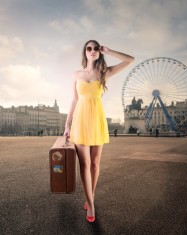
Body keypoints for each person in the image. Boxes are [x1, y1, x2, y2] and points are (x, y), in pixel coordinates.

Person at [64, 40, 134, 223]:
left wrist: (110, 51)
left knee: (95, 164)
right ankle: (91, 204)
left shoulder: (105, 72)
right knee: (85, 164)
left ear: (99, 52)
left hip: (97, 119)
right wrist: (66, 125)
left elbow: (130, 60)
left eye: (96, 48)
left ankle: (90, 196)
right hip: (80, 120)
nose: (93, 51)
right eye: (89, 48)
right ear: (84, 52)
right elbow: (73, 100)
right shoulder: (76, 74)